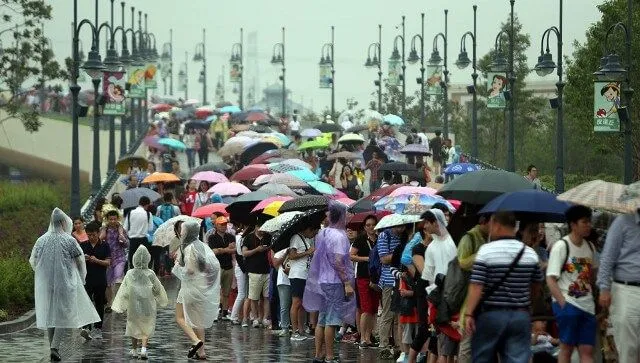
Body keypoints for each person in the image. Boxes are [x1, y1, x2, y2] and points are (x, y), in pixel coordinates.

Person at [464, 211, 544, 363]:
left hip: (491, 315)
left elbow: (476, 286)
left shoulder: (486, 252)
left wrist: (468, 313)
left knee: (482, 357)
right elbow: (536, 285)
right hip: (520, 316)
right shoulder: (529, 254)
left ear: (498, 225)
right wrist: (528, 305)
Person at [30, 208, 100, 362]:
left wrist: (42, 275)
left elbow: (33, 260)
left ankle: (52, 347)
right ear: (62, 222)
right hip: (66, 283)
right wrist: (81, 278)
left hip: (47, 284)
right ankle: (55, 347)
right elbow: (80, 260)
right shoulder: (69, 240)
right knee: (63, 314)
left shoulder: (41, 240)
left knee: (50, 315)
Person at [303, 201, 356, 363]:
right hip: (335, 282)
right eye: (346, 214)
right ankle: (330, 356)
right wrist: (346, 282)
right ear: (340, 215)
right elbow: (338, 261)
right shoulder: (339, 236)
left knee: (322, 319)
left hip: (323, 281)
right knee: (332, 321)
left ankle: (318, 355)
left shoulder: (323, 233)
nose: (348, 217)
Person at [546, 205, 597, 363]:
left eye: (589, 222)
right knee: (566, 348)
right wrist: (563, 304)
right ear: (573, 224)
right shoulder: (562, 246)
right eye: (584, 222)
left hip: (587, 305)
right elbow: (550, 278)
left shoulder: (590, 247)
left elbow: (593, 275)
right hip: (568, 303)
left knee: (587, 350)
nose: (588, 225)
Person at [597, 208, 640, 363]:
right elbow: (607, 258)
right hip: (626, 291)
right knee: (628, 349)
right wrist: (604, 289)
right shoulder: (622, 222)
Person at [173, 220, 221, 359]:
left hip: (189, 288)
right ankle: (201, 352)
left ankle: (196, 341)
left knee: (180, 317)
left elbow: (189, 270)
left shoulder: (188, 248)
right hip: (202, 287)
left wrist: (177, 265)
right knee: (198, 321)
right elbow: (212, 266)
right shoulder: (204, 247)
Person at [112, 245, 169, 360]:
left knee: (133, 324)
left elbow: (124, 291)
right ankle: (144, 348)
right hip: (148, 304)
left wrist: (120, 305)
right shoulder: (150, 273)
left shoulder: (130, 273)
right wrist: (162, 299)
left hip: (133, 304)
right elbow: (157, 288)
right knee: (146, 324)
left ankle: (134, 350)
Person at [455, 215, 490, 363]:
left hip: (484, 300)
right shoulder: (469, 238)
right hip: (468, 296)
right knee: (466, 346)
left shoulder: (488, 239)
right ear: (483, 222)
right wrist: (482, 253)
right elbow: (462, 262)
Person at [377, 223, 408, 360]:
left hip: (402, 280)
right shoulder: (385, 235)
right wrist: (402, 252)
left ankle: (398, 346)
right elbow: (383, 258)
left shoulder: (405, 236)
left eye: (403, 227)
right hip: (389, 280)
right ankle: (383, 345)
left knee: (398, 318)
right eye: (398, 227)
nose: (400, 230)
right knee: (388, 314)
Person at [350, 215, 380, 349]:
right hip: (363, 276)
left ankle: (368, 337)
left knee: (373, 309)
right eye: (368, 225)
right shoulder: (360, 239)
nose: (371, 227)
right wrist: (366, 259)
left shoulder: (379, 239)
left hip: (376, 277)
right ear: (364, 227)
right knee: (366, 308)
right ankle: (362, 337)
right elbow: (351, 255)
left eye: (373, 224)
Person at [79, 221, 111, 340]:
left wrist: (96, 260)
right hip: (86, 279)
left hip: (100, 279)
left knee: (99, 304)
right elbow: (76, 262)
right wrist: (84, 259)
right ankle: (86, 327)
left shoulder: (105, 245)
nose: (91, 237)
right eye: (88, 235)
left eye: (93, 234)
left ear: (98, 233)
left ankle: (98, 328)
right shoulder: (83, 245)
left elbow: (108, 262)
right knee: (86, 303)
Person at [288, 225, 319, 341]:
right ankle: (294, 331)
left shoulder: (307, 239)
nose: (314, 235)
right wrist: (307, 252)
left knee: (302, 304)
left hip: (305, 274)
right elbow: (291, 255)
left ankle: (301, 330)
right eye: (313, 232)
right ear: (308, 228)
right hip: (297, 275)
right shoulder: (296, 238)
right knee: (296, 303)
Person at [242, 217, 272, 328]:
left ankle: (264, 318)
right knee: (254, 297)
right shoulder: (248, 238)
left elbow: (272, 249)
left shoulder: (268, 237)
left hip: (267, 270)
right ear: (256, 227)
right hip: (253, 271)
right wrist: (256, 250)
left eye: (264, 228)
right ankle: (254, 318)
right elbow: (244, 253)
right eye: (260, 227)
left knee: (267, 296)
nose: (261, 230)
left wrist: (267, 249)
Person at [207, 216, 236, 320]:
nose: (223, 226)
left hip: (228, 266)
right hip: (217, 267)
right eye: (221, 224)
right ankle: (215, 312)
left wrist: (221, 250)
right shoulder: (212, 237)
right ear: (216, 225)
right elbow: (213, 251)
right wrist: (227, 249)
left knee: (226, 292)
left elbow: (234, 250)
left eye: (225, 224)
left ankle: (224, 313)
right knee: (215, 291)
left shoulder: (231, 236)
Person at [100, 210, 129, 313]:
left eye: (114, 219)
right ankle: (110, 304)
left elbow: (127, 245)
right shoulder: (104, 229)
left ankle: (119, 301)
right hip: (107, 259)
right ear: (107, 220)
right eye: (110, 219)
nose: (112, 221)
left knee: (118, 278)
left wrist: (123, 239)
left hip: (119, 257)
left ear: (118, 219)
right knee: (108, 283)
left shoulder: (121, 230)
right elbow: (99, 241)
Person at [124, 196, 153, 269]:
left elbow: (125, 228)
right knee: (144, 262)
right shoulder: (148, 214)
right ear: (147, 204)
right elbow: (150, 228)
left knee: (133, 263)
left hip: (133, 241)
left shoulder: (130, 213)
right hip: (143, 241)